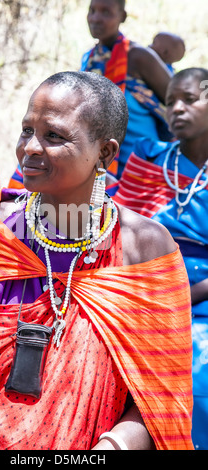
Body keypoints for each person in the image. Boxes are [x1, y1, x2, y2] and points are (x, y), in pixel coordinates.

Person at [0, 71, 193, 450]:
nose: (31, 147)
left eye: (54, 136)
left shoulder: (144, 251)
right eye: (27, 130)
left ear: (105, 153)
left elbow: (160, 399)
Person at [113, 67, 208, 450]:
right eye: (170, 102)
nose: (177, 109)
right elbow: (118, 234)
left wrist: (183, 297)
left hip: (199, 301)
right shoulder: (149, 161)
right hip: (143, 294)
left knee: (195, 367)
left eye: (190, 99)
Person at [80, 0, 173, 178]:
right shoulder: (90, 59)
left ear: (122, 17)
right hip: (104, 163)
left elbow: (178, 98)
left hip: (145, 164)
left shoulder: (139, 56)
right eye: (92, 11)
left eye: (106, 12)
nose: (95, 18)